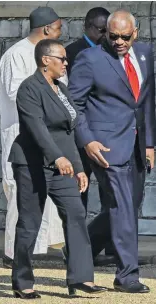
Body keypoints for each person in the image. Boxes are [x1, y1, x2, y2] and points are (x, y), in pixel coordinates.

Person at [8, 39, 107, 299]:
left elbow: (68, 131)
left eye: (66, 59)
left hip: (62, 166)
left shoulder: (62, 89)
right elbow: (37, 129)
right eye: (62, 58)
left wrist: (77, 167)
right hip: (32, 164)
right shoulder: (29, 89)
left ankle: (81, 278)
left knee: (75, 214)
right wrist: (57, 158)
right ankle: (22, 281)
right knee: (30, 223)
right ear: (45, 60)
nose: (66, 62)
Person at [69, 9, 154, 293]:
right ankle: (127, 275)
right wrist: (87, 140)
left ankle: (83, 247)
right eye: (113, 35)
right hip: (105, 146)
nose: (119, 41)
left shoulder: (144, 54)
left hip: (137, 145)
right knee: (122, 207)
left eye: (125, 36)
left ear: (135, 34)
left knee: (130, 206)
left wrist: (150, 143)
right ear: (105, 33)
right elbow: (74, 105)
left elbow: (145, 103)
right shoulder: (90, 59)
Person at [0, 6, 66, 268]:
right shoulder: (15, 55)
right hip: (21, 134)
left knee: (51, 191)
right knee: (21, 192)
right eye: (59, 28)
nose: (61, 33)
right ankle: (13, 254)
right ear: (47, 29)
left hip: (50, 134)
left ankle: (51, 248)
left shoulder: (55, 56)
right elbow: (17, 94)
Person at [64, 6, 118, 267]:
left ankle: (110, 247)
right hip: (79, 135)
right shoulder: (71, 53)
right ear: (86, 26)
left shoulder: (111, 52)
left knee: (112, 196)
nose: (104, 35)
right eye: (100, 30)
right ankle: (76, 251)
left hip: (104, 136)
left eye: (107, 31)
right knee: (79, 196)